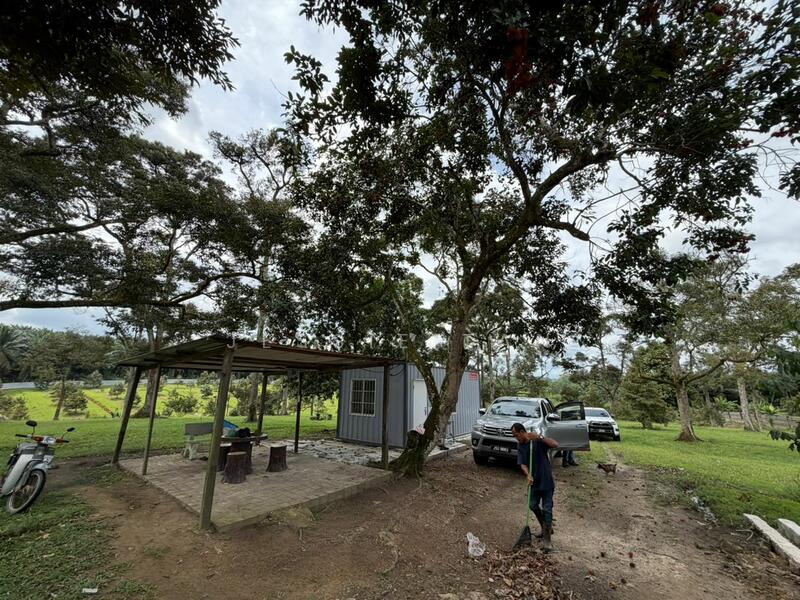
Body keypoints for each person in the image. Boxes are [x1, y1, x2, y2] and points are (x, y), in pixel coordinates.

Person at [511, 423, 559, 551]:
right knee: (532, 505)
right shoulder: (521, 446)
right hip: (534, 482)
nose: (516, 438)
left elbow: (555, 444)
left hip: (546, 480)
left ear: (522, 432)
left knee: (547, 509)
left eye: (516, 435)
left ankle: (547, 540)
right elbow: (522, 464)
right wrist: (528, 475)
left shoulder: (537, 441)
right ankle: (545, 527)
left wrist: (540, 437)